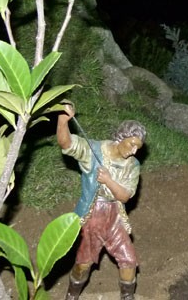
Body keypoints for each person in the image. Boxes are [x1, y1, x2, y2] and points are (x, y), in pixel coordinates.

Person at [57, 103, 146, 300]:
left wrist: (108, 181)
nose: (134, 151)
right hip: (92, 216)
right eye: (131, 144)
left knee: (129, 261)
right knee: (83, 263)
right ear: (121, 138)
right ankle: (71, 296)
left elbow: (125, 196)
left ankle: (127, 297)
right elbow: (67, 143)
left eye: (137, 147)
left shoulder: (133, 165)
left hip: (114, 217)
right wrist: (63, 120)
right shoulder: (94, 152)